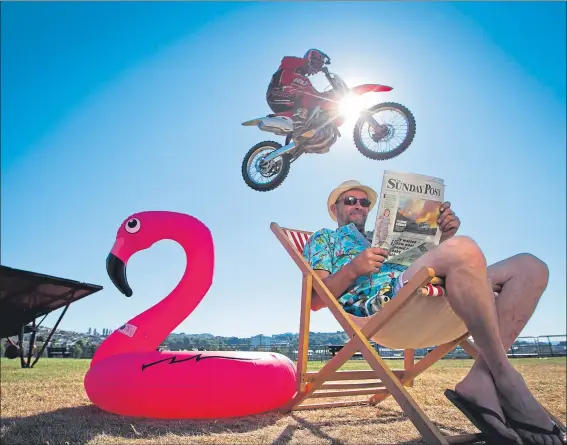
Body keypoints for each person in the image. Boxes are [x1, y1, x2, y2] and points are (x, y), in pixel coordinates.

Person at [302, 179, 565, 445]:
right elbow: (316, 300)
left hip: (433, 291)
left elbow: (423, 259)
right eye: (350, 201)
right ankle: (507, 379)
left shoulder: (380, 236)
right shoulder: (325, 238)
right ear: (335, 210)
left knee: (530, 267)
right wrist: (354, 268)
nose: (358, 206)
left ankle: (480, 379)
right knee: (465, 248)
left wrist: (441, 237)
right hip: (385, 308)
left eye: (364, 202)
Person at [266, 49, 332, 142]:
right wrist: (305, 63)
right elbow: (285, 60)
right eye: (316, 66)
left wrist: (328, 96)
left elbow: (315, 96)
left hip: (290, 103)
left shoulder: (305, 81)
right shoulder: (293, 66)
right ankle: (299, 128)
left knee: (314, 104)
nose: (315, 71)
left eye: (318, 69)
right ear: (311, 59)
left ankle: (309, 134)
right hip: (276, 94)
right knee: (304, 95)